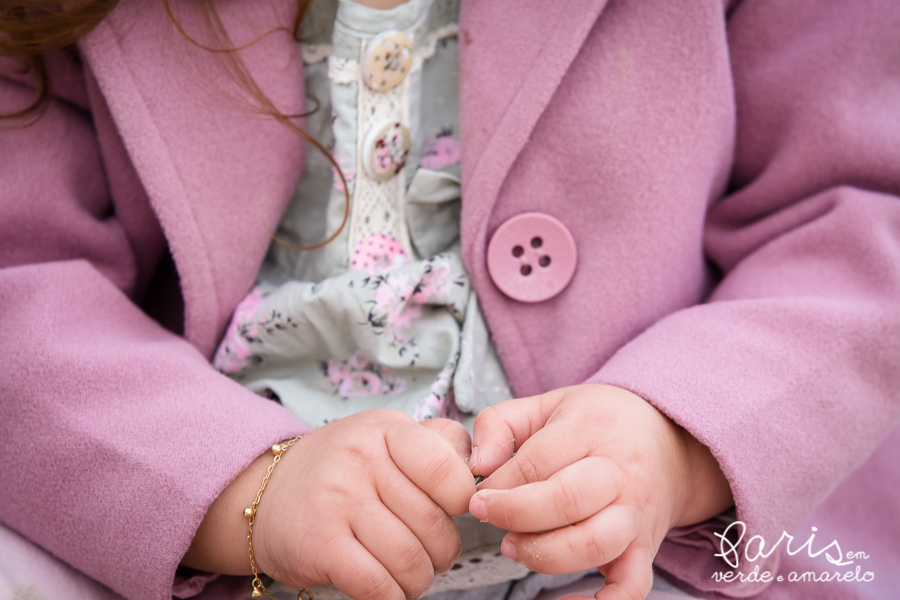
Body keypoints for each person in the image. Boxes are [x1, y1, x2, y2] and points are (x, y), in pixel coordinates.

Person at [1, 2, 899, 600]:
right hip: (205, 553)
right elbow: (22, 287)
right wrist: (244, 490)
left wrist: (678, 439)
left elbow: (856, 218)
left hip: (670, 555)